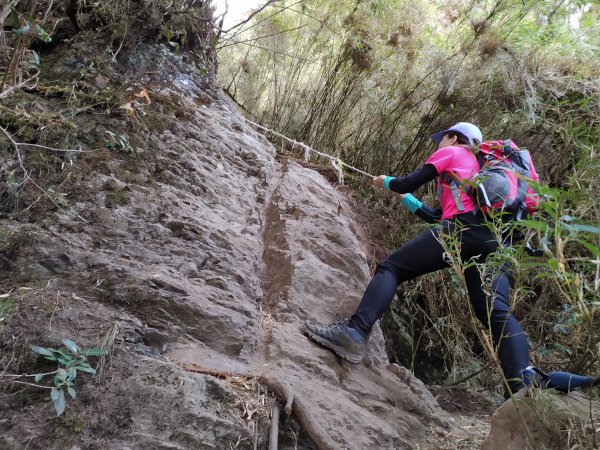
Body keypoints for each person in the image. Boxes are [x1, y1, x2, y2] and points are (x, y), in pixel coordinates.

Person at [303, 122, 531, 396]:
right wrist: (407, 199)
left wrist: (387, 182)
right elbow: (438, 216)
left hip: (463, 230)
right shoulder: (476, 170)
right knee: (495, 312)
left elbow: (409, 181)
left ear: (455, 137)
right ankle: (520, 383)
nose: (439, 143)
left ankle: (353, 335)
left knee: (391, 268)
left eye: (442, 137)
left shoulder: (455, 152)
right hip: (493, 240)